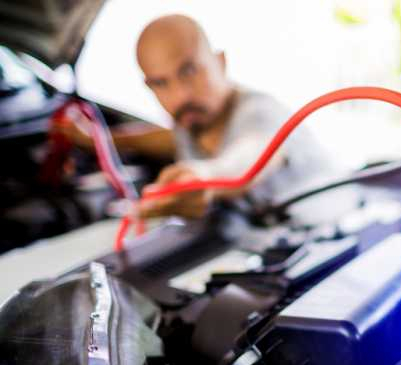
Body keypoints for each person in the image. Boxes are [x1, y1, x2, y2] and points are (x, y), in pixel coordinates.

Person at [58, 14, 331, 218]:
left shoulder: (260, 113)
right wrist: (96, 140)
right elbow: (162, 139)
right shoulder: (193, 122)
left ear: (220, 62)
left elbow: (250, 155)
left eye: (189, 71)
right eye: (160, 83)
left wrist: (205, 175)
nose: (180, 96)